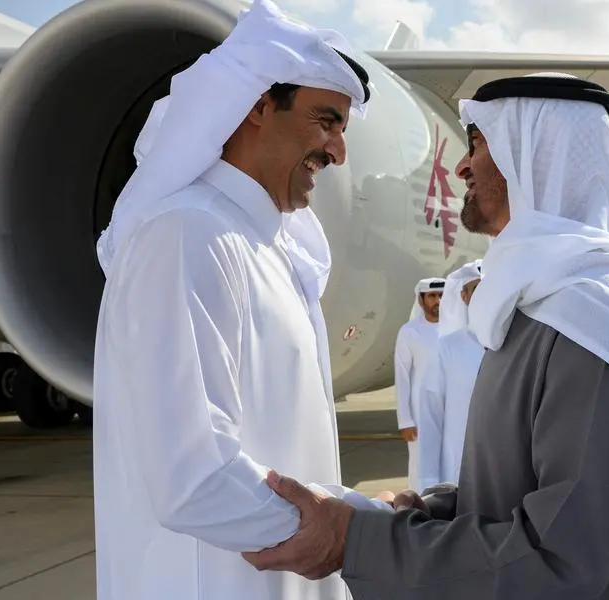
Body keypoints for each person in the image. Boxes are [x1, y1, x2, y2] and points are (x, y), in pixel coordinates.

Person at [241, 73, 609, 599]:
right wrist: (435, 511)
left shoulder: (599, 322)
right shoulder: (541, 306)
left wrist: (356, 540)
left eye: (480, 145)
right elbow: (536, 492)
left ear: (533, 160)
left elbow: (559, 557)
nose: (461, 166)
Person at [89, 1, 382, 599]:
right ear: (255, 106)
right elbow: (192, 476)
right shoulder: (187, 236)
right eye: (325, 121)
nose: (338, 152)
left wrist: (357, 517)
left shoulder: (268, 248)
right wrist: (342, 533)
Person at [416, 262, 485, 491]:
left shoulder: (518, 343)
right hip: (457, 474)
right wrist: (428, 481)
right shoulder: (448, 348)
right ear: (464, 296)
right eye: (477, 290)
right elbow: (430, 416)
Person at [393, 277, 445, 490]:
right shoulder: (409, 332)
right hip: (421, 411)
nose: (438, 301)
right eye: (432, 296)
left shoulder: (458, 328)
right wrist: (405, 420)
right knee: (423, 465)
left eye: (441, 295)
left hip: (453, 408)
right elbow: (402, 376)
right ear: (421, 300)